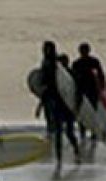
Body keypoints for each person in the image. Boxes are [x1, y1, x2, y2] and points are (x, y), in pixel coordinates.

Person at [36, 41, 81, 173]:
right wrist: (40, 105)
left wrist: (76, 106)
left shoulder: (61, 69)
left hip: (64, 103)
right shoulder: (47, 65)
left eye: (48, 49)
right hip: (54, 102)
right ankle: (60, 158)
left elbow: (74, 89)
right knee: (58, 132)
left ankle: (75, 152)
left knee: (68, 131)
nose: (46, 51)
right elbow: (44, 88)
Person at [70, 43, 106, 144]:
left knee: (91, 112)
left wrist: (102, 88)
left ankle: (92, 133)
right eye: (82, 51)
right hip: (82, 91)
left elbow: (101, 74)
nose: (84, 53)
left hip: (90, 90)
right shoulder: (77, 63)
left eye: (85, 51)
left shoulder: (92, 62)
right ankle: (83, 132)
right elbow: (72, 77)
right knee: (82, 112)